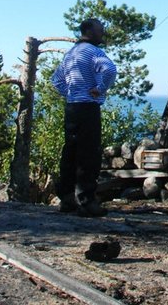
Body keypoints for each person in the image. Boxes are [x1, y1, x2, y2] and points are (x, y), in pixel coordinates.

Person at [51, 18, 117, 217]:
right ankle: (87, 203)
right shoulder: (93, 51)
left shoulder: (71, 53)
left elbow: (56, 81)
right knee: (88, 153)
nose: (103, 33)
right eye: (100, 29)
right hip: (88, 107)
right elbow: (110, 69)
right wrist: (99, 89)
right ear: (89, 31)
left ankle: (67, 199)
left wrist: (73, 92)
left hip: (72, 108)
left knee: (70, 152)